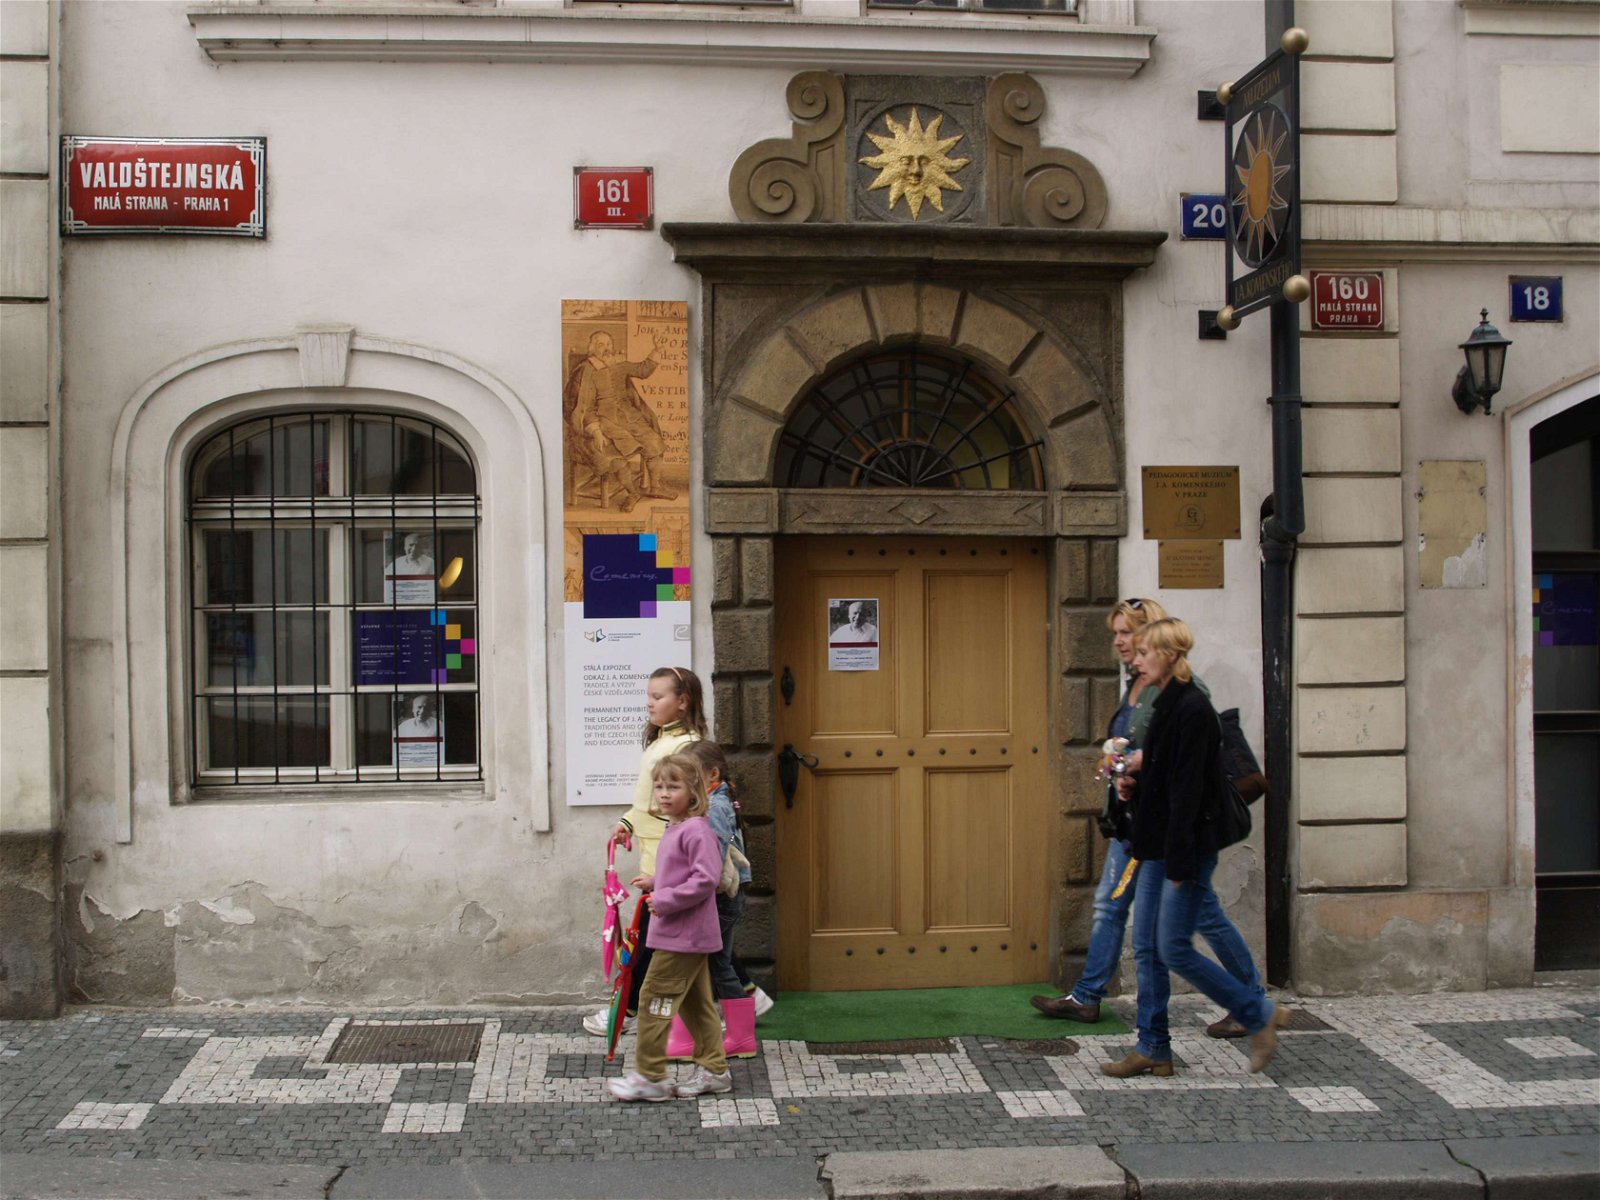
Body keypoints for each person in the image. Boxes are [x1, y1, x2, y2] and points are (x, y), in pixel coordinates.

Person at [1032, 599, 1266, 1040]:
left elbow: (1186, 763)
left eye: (1128, 634)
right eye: (1117, 634)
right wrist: (1121, 768)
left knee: (1176, 932)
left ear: (1154, 639)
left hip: (1163, 826)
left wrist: (1141, 765)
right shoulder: (1138, 682)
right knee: (1122, 911)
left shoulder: (1183, 693)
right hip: (1136, 818)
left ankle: (1246, 1003)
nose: (1121, 643)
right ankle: (1098, 1001)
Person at [1100, 618, 1288, 1079]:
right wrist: (1133, 786)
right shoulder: (1165, 702)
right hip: (1156, 843)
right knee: (1148, 946)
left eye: (1145, 652)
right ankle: (1153, 1047)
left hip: (1181, 849)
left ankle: (1257, 1013)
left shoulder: (1192, 709)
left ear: (1167, 656)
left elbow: (1188, 794)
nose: (1136, 659)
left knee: (1174, 948)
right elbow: (1164, 776)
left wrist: (1181, 866)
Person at [582, 666, 707, 1037]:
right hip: (656, 856)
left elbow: (678, 804)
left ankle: (625, 1012)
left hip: (669, 860)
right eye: (649, 696)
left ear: (682, 701)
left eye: (657, 697)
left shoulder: (686, 745)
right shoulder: (663, 741)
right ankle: (744, 996)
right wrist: (629, 822)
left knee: (647, 938)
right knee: (663, 938)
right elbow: (649, 799)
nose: (649, 703)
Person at [606, 754, 732, 1102]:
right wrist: (656, 881)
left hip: (683, 935)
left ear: (693, 791)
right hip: (683, 934)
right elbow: (684, 872)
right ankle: (715, 1070)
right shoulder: (677, 827)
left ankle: (650, 1077)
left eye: (673, 786)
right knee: (696, 1005)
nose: (663, 793)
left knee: (652, 998)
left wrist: (665, 898)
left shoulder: (696, 830)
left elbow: (706, 879)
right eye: (659, 786)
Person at [664, 741, 773, 1062]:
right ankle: (737, 1037)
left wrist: (685, 891)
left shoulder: (715, 807)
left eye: (691, 774)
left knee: (694, 963)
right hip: (720, 898)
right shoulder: (713, 803)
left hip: (718, 900)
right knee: (717, 964)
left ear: (711, 774)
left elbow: (711, 858)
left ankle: (691, 1039)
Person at [565, 331, 674, 511]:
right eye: (601, 345)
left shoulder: (618, 365)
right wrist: (596, 431)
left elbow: (642, 370)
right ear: (592, 348)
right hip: (602, 422)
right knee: (616, 456)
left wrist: (657, 350)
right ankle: (632, 493)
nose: (606, 349)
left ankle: (655, 487)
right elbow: (582, 407)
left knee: (654, 441)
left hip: (628, 417)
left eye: (609, 344)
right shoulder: (585, 372)